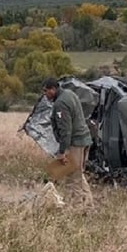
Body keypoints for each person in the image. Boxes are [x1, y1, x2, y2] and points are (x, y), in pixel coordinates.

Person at [43, 77, 94, 209]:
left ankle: (77, 208)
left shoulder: (60, 103)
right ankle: (88, 205)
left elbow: (66, 130)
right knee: (79, 174)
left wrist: (62, 151)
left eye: (46, 91)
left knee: (73, 177)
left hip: (74, 142)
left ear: (53, 89)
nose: (45, 94)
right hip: (84, 139)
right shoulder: (70, 94)